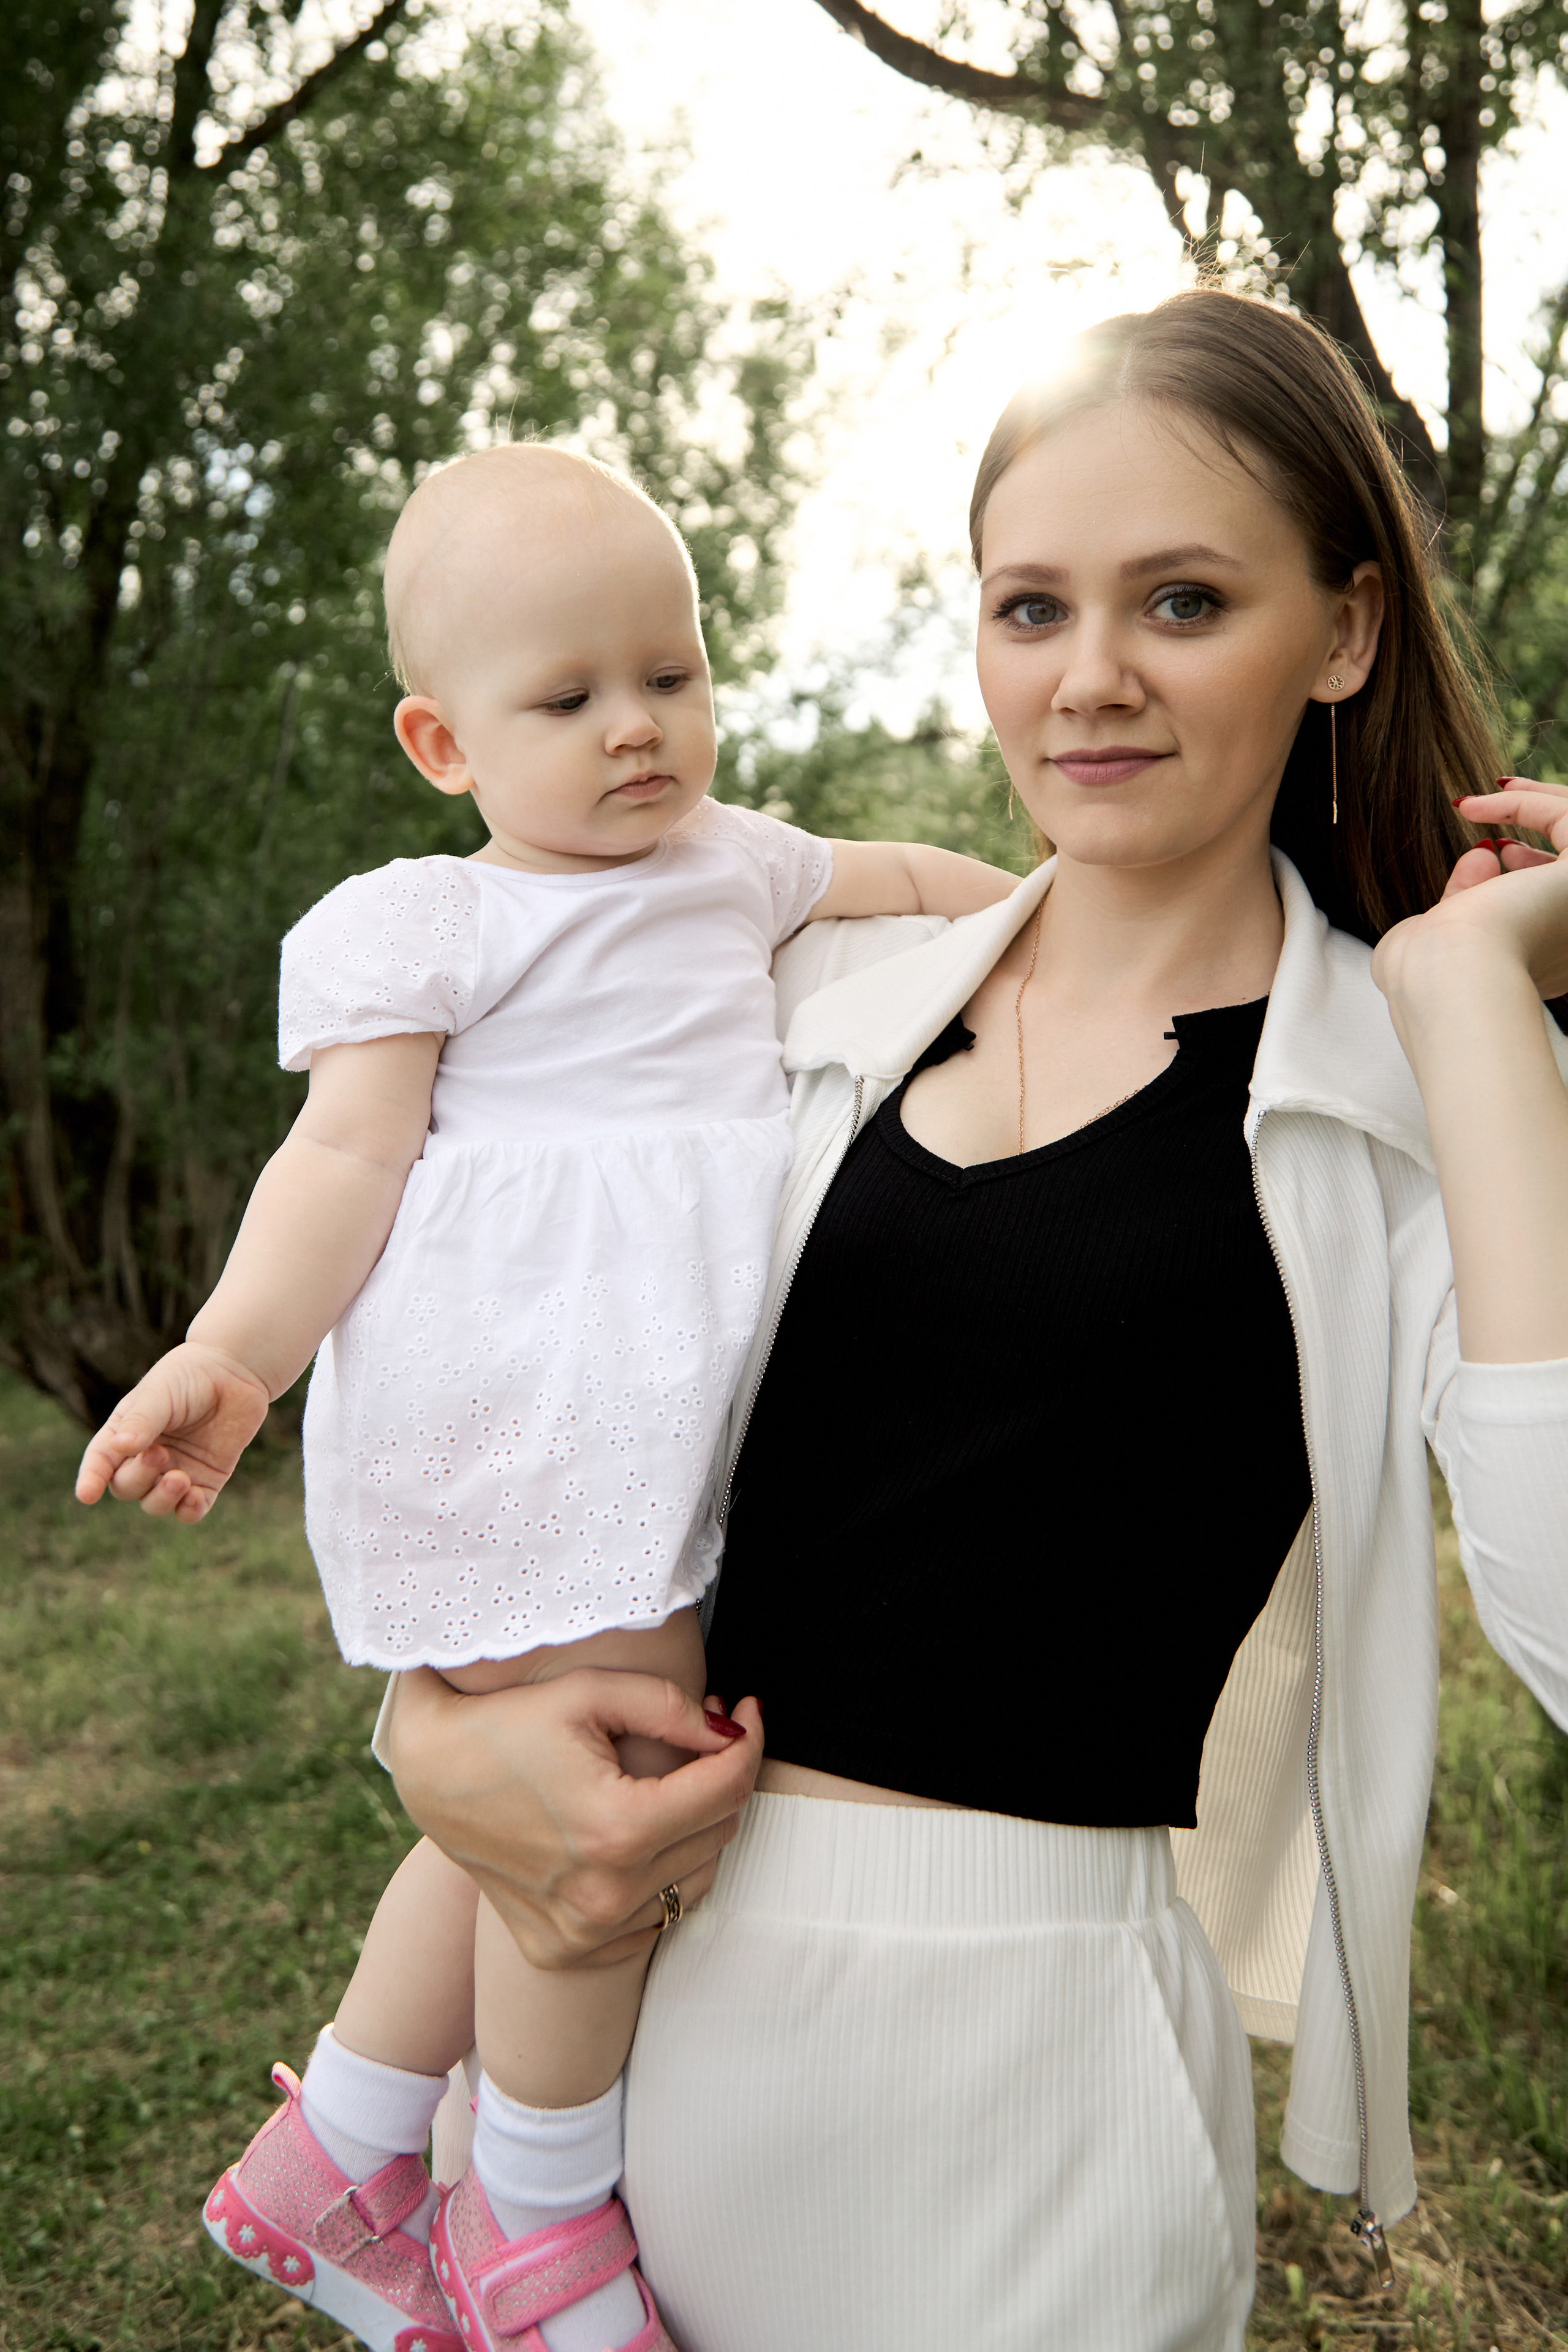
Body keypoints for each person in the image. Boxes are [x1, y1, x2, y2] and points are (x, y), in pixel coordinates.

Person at [372, 291, 1568, 2352]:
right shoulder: (800, 1010)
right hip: (631, 2016)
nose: (1091, 680)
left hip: (1047, 2080)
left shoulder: (1418, 1091)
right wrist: (435, 1737)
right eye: (1032, 608)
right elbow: (528, 1416)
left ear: (1347, 632)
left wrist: (1473, 1012)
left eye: (1184, 601)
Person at [73, 443, 1017, 2352]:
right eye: (568, 698)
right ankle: (538, 2214)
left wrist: (1071, 911)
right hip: (525, 1408)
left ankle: (336, 2149)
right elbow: (339, 1164)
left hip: (664, 1402)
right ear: (444, 744)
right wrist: (239, 1355)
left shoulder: (739, 864)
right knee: (612, 1801)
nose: (637, 730)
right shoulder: (430, 923)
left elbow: (924, 881)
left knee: (505, 1814)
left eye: (668, 675)